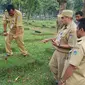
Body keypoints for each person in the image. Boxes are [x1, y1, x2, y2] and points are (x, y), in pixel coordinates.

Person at [42, 10, 77, 83]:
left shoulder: (73, 29)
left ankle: (61, 82)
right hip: (57, 51)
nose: (61, 19)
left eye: (62, 17)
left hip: (64, 54)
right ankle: (58, 80)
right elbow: (59, 37)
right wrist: (49, 39)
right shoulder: (64, 27)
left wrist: (59, 45)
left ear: (67, 18)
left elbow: (72, 45)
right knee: (52, 66)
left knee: (61, 72)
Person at [58, 18, 85, 85]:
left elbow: (72, 66)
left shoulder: (80, 45)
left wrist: (62, 81)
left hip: (73, 80)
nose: (76, 30)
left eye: (77, 28)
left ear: (81, 30)